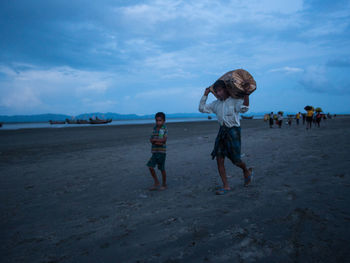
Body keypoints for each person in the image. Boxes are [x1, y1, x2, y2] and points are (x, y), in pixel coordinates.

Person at [199, 80, 253, 195]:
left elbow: (244, 109)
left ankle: (246, 170)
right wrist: (205, 94)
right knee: (219, 158)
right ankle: (226, 186)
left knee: (236, 160)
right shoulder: (216, 104)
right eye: (216, 91)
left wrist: (246, 94)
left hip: (234, 131)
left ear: (226, 90)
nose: (218, 94)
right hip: (222, 132)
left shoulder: (234, 101)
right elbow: (201, 108)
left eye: (220, 91)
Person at [147, 112, 168, 191]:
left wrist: (156, 141)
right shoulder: (155, 128)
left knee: (162, 169)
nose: (158, 122)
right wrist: (156, 141)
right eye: (157, 120)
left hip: (161, 152)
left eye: (160, 121)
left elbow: (163, 140)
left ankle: (164, 184)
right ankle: (156, 182)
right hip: (154, 152)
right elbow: (151, 139)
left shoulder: (164, 129)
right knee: (150, 166)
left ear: (163, 121)